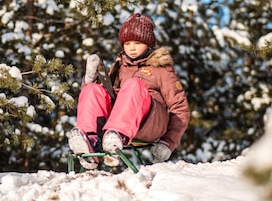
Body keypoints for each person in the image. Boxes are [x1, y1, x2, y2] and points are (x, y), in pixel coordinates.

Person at [68, 12, 190, 169]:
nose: (131, 48)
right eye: (127, 43)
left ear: (148, 44)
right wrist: (89, 80)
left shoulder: (162, 69)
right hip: (117, 123)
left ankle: (116, 135)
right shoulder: (120, 66)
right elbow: (100, 99)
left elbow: (180, 108)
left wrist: (169, 142)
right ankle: (91, 141)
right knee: (93, 89)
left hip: (150, 123)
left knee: (134, 85)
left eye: (137, 43)